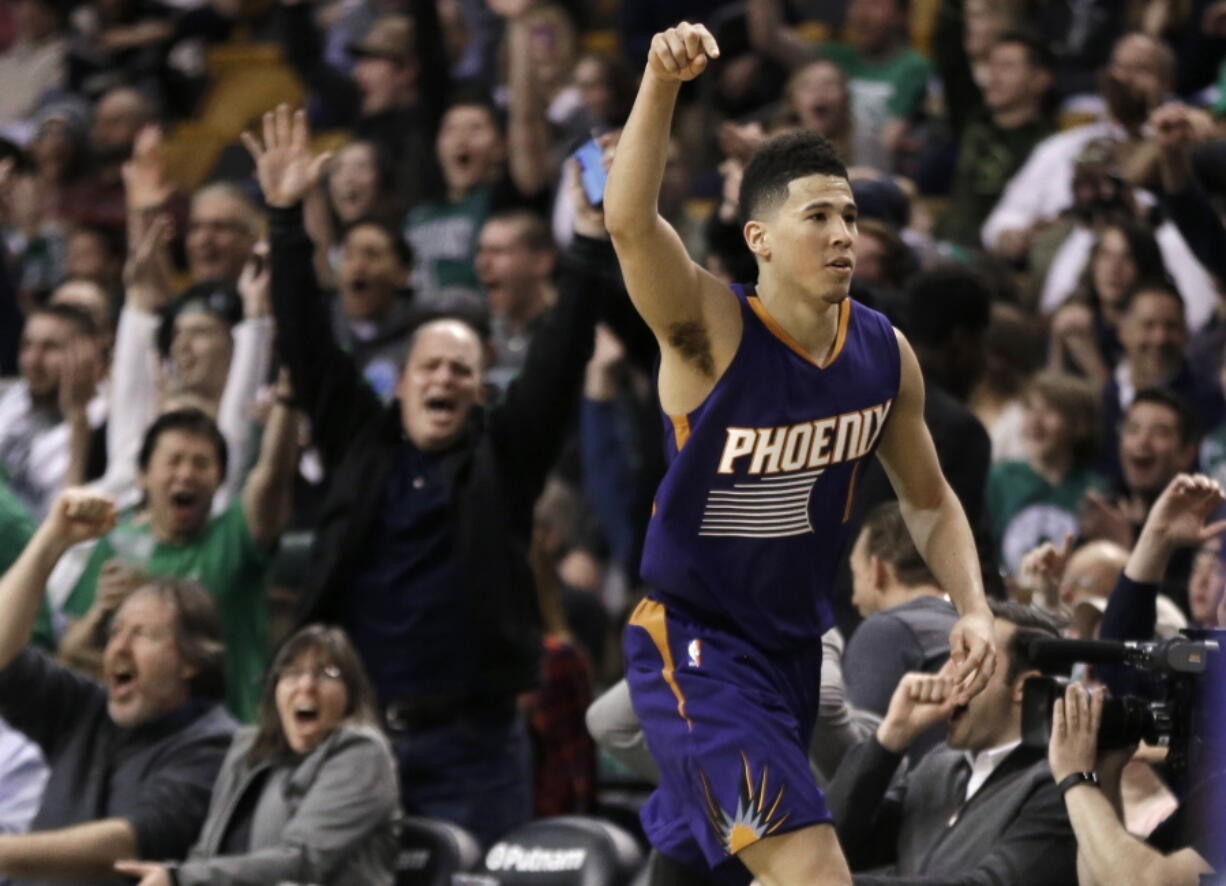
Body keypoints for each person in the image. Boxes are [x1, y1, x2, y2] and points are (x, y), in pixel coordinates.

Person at [603, 24, 996, 885]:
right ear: (760, 239)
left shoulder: (884, 354)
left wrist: (972, 606)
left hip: (792, 650)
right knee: (816, 873)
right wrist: (661, 83)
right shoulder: (712, 330)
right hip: (697, 648)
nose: (844, 234)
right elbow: (629, 224)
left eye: (851, 216)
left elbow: (928, 500)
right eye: (817, 216)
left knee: (699, 870)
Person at [245, 105, 611, 846]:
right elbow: (309, 343)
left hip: (472, 749)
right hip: (355, 739)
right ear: (401, 381)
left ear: (480, 391)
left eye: (462, 371)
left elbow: (560, 356)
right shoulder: (361, 439)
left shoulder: (503, 458)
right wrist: (286, 218)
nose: (444, 378)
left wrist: (589, 240)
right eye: (430, 366)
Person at [0, 488, 235, 886]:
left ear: (192, 660)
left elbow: (123, 847)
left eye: (142, 634)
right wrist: (52, 539)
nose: (118, 648)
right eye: (115, 632)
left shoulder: (213, 745)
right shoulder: (88, 708)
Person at [43, 404, 299, 722]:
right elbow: (70, 655)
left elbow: (274, 478)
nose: (186, 474)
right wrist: (101, 609)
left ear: (219, 479)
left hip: (227, 736)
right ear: (144, 475)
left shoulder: (235, 537)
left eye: (201, 463)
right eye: (173, 460)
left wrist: (288, 402)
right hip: (138, 738)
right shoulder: (119, 543)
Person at [114, 624, 400, 886]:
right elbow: (206, 852)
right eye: (291, 673)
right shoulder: (248, 749)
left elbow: (302, 861)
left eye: (327, 674)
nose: (306, 685)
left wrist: (179, 878)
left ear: (350, 696)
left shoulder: (362, 753)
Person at [828, 601, 1078, 885]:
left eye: (969, 659)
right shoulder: (938, 766)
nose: (945, 675)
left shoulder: (1061, 783)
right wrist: (889, 739)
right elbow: (834, 849)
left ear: (1025, 687)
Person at [845, 501, 958, 761]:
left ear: (877, 570)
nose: (853, 599)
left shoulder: (884, 630)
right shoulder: (978, 624)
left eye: (855, 574)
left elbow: (855, 757)